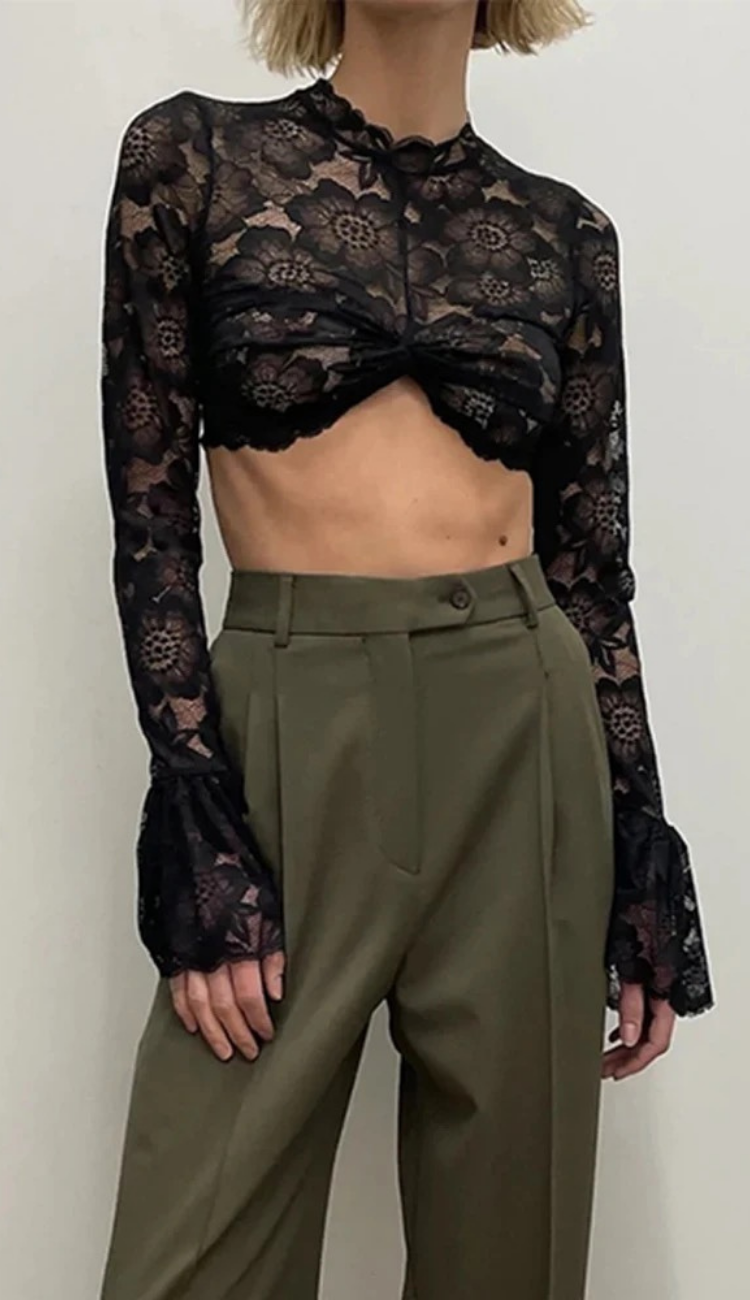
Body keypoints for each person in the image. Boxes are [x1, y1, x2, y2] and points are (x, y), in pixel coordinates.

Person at [97, 2, 715, 1297]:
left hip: (521, 724)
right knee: (191, 1249)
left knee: (510, 1248)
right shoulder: (194, 157)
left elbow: (591, 573)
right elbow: (151, 518)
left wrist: (640, 848)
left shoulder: (564, 232)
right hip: (289, 721)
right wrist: (192, 797)